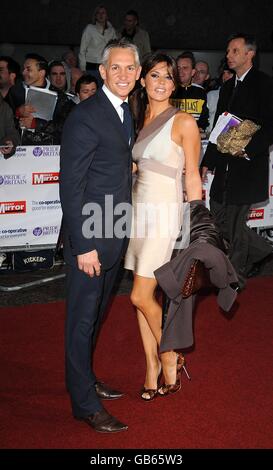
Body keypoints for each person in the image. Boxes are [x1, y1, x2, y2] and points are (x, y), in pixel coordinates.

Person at [59, 39, 141, 433]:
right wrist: (84, 244)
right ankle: (84, 403)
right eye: (116, 68)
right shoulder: (86, 115)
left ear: (138, 74)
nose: (123, 75)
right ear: (103, 71)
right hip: (91, 238)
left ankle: (85, 380)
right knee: (81, 321)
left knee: (94, 318)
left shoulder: (125, 111)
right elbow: (70, 186)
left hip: (114, 232)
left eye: (130, 68)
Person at [124, 52, 202, 400]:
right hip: (138, 213)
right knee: (145, 298)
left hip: (165, 214)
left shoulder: (183, 121)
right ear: (143, 80)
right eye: (154, 76)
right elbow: (140, 167)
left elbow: (193, 176)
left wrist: (198, 223)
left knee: (139, 294)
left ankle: (170, 356)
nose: (160, 83)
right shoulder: (137, 120)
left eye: (168, 77)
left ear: (176, 83)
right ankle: (150, 369)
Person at [201, 33, 273, 288]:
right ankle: (264, 248)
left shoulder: (264, 84)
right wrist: (207, 160)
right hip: (225, 166)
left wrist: (248, 149)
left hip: (248, 167)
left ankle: (235, 277)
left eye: (234, 50)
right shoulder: (228, 87)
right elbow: (220, 127)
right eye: (228, 51)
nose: (228, 55)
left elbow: (269, 125)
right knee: (219, 217)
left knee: (233, 221)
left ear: (249, 53)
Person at [78, 4, 117, 83]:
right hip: (92, 68)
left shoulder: (111, 30)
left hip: (106, 67)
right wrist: (83, 68)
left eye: (103, 13)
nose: (101, 15)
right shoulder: (89, 29)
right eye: (98, 13)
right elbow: (82, 50)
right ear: (95, 16)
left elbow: (115, 49)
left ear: (107, 15)